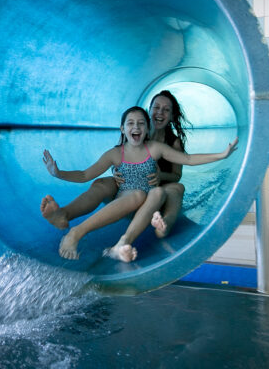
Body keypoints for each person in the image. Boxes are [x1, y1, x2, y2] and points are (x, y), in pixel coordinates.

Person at [43, 106, 237, 260]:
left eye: (141, 123)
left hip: (145, 209)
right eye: (131, 123)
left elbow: (187, 159)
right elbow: (86, 174)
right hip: (122, 204)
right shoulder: (115, 153)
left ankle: (116, 242)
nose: (136, 127)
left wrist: (222, 154)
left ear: (146, 129)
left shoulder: (155, 148)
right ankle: (70, 223)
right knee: (116, 187)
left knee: (154, 193)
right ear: (123, 129)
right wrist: (58, 173)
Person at [40, 90, 189, 238]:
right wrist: (114, 170)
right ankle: (63, 214)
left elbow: (177, 175)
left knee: (177, 188)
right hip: (127, 192)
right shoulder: (135, 132)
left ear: (171, 116)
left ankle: (164, 225)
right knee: (101, 183)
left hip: (155, 195)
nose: (160, 112)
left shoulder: (173, 143)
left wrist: (159, 175)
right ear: (149, 110)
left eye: (166, 110)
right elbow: (115, 158)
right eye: (156, 107)